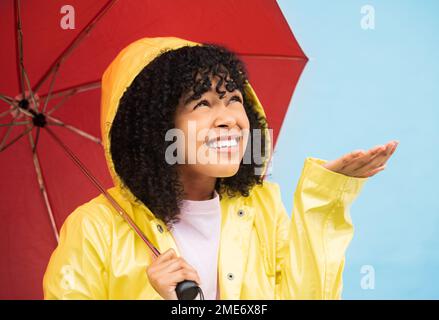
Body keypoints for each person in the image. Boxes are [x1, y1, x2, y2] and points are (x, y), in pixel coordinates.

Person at [43, 37, 398, 300]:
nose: (229, 119)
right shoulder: (93, 230)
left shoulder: (261, 208)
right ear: (155, 128)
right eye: (202, 103)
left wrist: (323, 202)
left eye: (234, 99)